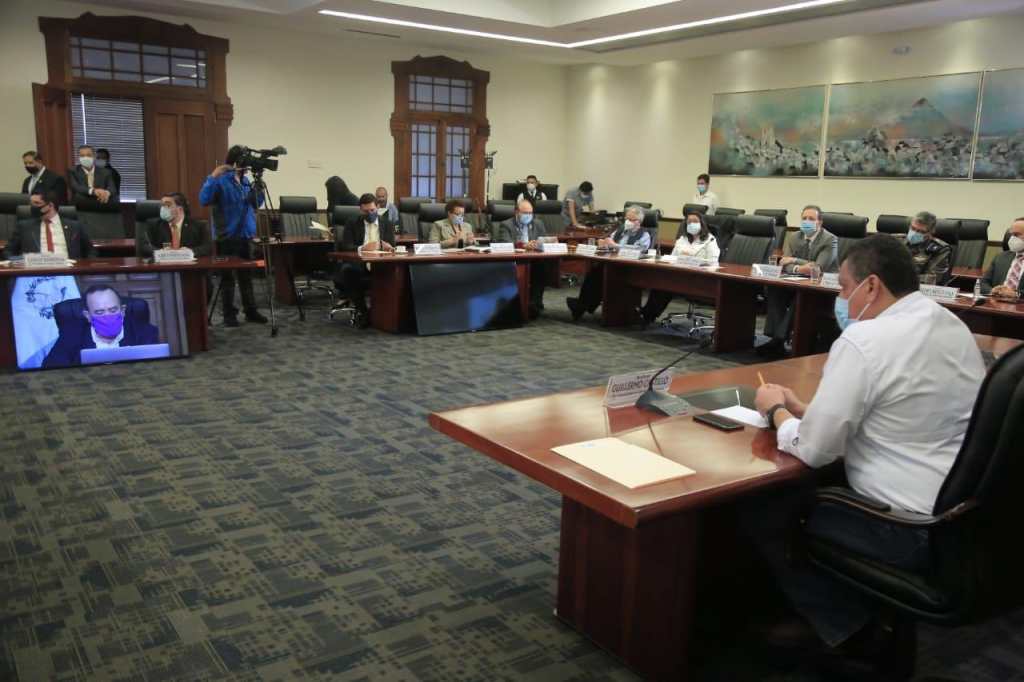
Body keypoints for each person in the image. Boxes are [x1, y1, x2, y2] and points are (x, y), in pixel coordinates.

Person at [748, 234, 984, 670]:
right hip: (963, 514)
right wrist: (807, 410)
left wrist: (776, 410)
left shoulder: (865, 340)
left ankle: (850, 631)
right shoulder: (950, 324)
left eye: (843, 288)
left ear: (871, 285)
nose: (841, 300)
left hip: (907, 527)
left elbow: (815, 450)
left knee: (766, 506)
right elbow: (902, 409)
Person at [198, 145, 268, 327]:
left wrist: (259, 188)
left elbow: (256, 203)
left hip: (245, 235)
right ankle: (229, 314)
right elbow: (204, 199)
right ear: (237, 162)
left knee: (246, 276)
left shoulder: (246, 181)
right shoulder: (221, 181)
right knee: (227, 277)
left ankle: (250, 311)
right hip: (226, 236)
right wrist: (213, 175)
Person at [759, 205, 838, 356]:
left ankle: (778, 340)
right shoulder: (795, 237)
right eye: (804, 218)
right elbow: (784, 263)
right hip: (797, 280)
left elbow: (818, 268)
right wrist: (799, 267)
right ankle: (775, 338)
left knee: (801, 296)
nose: (807, 222)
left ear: (820, 222)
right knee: (775, 289)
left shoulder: (830, 239)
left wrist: (794, 260)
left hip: (823, 287)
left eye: (811, 219)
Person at [567, 205, 652, 321]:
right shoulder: (619, 230)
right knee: (594, 272)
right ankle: (583, 305)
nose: (628, 222)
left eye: (632, 220)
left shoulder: (644, 235)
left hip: (629, 268)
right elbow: (609, 242)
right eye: (627, 219)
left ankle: (582, 306)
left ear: (639, 221)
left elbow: (638, 250)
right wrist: (603, 244)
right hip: (612, 264)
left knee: (599, 275)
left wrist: (615, 245)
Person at [42, 285, 160, 368]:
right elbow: (50, 371)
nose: (107, 316)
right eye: (99, 312)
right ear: (88, 316)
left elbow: (156, 370)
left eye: (113, 310)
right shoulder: (71, 336)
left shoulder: (146, 333)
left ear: (123, 310)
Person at [639, 212, 720, 325]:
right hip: (680, 275)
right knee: (661, 284)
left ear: (702, 224)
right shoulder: (682, 239)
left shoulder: (710, 240)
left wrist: (693, 259)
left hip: (700, 278)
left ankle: (646, 315)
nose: (692, 224)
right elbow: (672, 258)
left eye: (695, 221)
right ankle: (647, 315)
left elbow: (713, 262)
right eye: (689, 222)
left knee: (666, 285)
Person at [337, 193, 396, 328]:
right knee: (347, 270)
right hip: (360, 263)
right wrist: (363, 248)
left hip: (381, 264)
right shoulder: (352, 223)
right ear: (360, 210)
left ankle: (390, 314)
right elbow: (345, 246)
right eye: (365, 211)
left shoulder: (387, 223)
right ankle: (363, 312)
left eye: (372, 210)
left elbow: (392, 245)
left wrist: (389, 247)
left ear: (378, 207)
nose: (369, 214)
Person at [492, 199, 549, 318]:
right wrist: (523, 245)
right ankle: (522, 305)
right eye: (525, 213)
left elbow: (544, 240)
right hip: (514, 261)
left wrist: (541, 243)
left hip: (534, 259)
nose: (528, 215)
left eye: (530, 213)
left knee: (542, 267)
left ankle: (535, 303)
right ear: (517, 212)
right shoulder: (506, 224)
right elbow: (505, 243)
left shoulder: (538, 223)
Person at [5, 189, 93, 259]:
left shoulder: (75, 226)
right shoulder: (24, 226)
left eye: (37, 203)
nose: (32, 207)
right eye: (31, 203)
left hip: (68, 270)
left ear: (50, 205)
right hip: (35, 271)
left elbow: (91, 251)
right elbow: (8, 252)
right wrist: (20, 262)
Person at [138, 192, 211, 259]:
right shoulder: (153, 225)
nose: (162, 208)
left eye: (167, 205)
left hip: (188, 266)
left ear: (180, 209)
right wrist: (160, 252)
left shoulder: (199, 226)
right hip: (163, 265)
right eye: (162, 205)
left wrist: (189, 252)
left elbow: (207, 248)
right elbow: (144, 247)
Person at [899, 211, 952, 284]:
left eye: (921, 232)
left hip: (916, 287)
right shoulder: (896, 240)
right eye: (913, 228)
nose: (914, 233)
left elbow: (933, 278)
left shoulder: (940, 249)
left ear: (931, 232)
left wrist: (901, 278)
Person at [980, 217, 1024, 300]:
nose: (1012, 238)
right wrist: (992, 291)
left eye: (1016, 235)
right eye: (1011, 235)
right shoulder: (1001, 257)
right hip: (996, 303)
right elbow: (983, 283)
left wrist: (1016, 294)